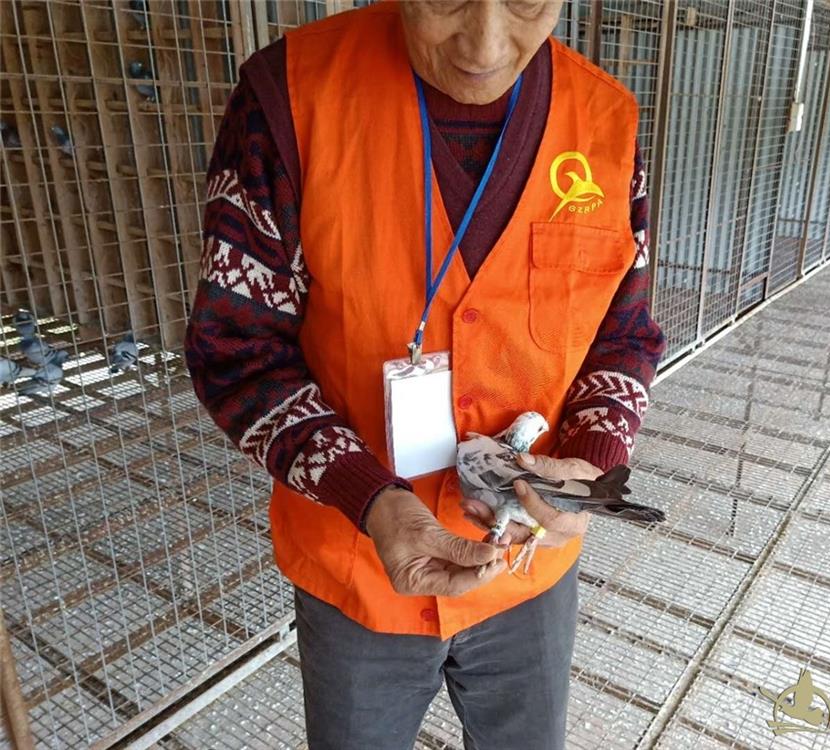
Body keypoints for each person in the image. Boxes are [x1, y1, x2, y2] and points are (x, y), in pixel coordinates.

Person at [185, 1, 665, 747]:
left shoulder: (607, 122)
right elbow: (236, 347)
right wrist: (366, 495)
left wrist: (591, 462)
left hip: (530, 566)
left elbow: (623, 336)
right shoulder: (288, 99)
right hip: (356, 566)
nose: (485, 45)